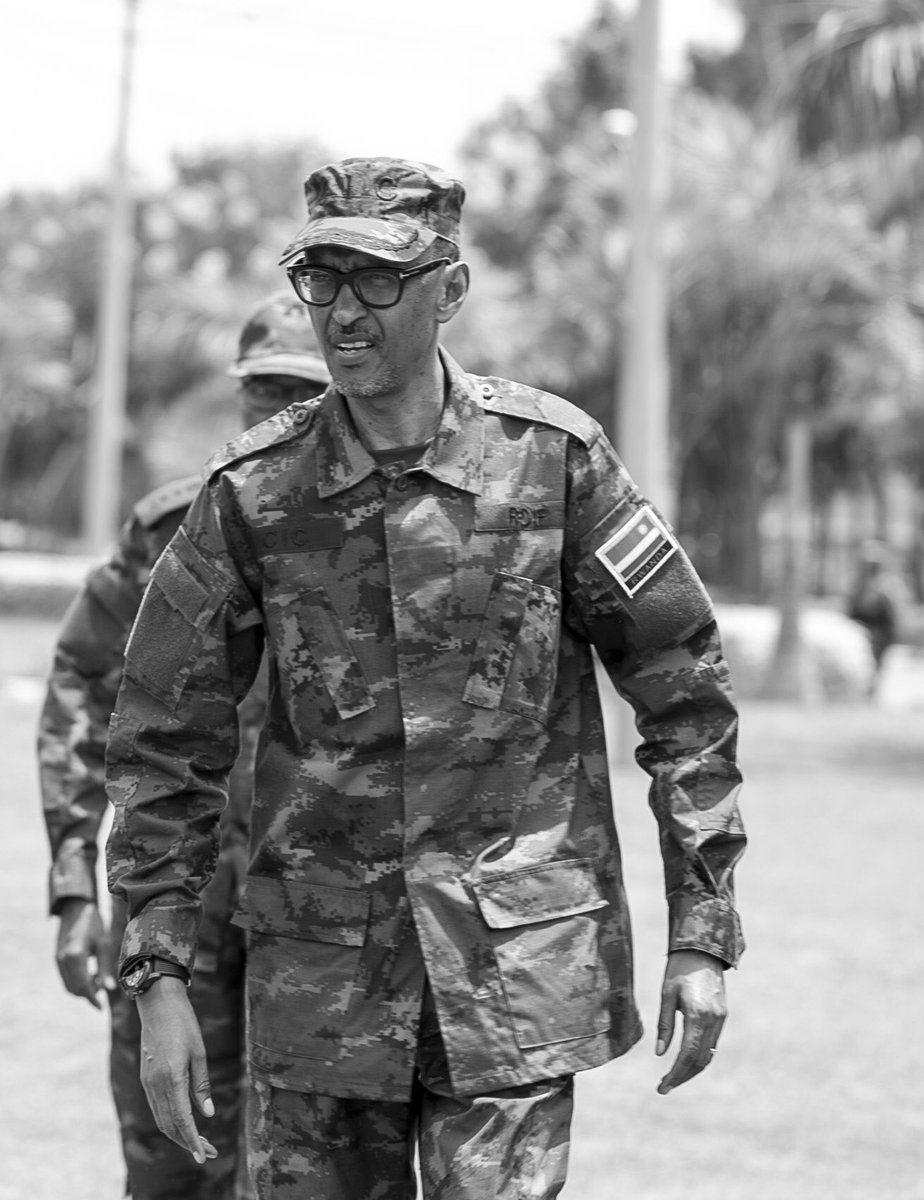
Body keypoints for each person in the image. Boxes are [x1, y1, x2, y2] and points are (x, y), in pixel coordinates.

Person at [105, 157, 747, 1200]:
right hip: (320, 992)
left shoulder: (554, 463)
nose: (343, 311)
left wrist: (703, 933)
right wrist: (158, 975)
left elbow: (686, 695)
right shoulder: (254, 493)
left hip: (512, 981)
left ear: (449, 289)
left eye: (378, 279)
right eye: (322, 279)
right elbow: (161, 739)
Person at [38, 293, 330, 1200]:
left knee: (309, 1171)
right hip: (177, 910)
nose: (281, 409)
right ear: (239, 395)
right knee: (173, 1166)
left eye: (302, 390)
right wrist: (75, 882)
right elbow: (82, 683)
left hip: (317, 919)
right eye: (264, 389)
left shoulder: (378, 535)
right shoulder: (173, 531)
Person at [846, 539, 905, 696]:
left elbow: (891, 618)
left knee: (875, 671)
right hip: (859, 636)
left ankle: (870, 693)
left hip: (878, 637)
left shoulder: (888, 586)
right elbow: (850, 612)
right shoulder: (858, 586)